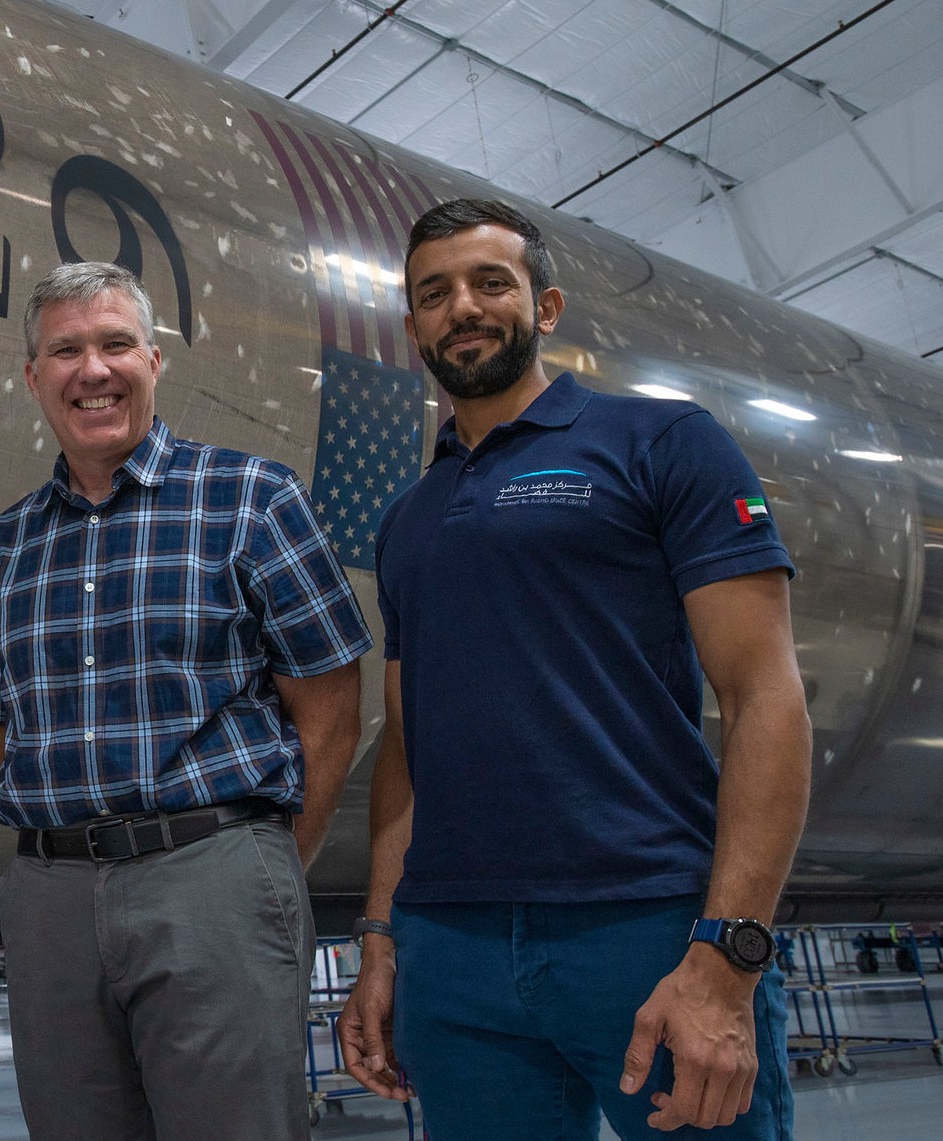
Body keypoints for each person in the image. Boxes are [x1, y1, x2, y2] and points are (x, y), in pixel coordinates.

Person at [337, 198, 811, 1138]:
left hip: (646, 926)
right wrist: (383, 938)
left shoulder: (663, 443)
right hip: (454, 949)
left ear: (545, 307)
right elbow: (407, 744)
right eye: (433, 293)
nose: (461, 307)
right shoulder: (406, 520)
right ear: (413, 327)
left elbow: (764, 695)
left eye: (490, 283)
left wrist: (729, 951)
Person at [0, 261, 369, 1140]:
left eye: (113, 344)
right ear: (34, 377)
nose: (91, 370)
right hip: (52, 891)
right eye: (65, 350)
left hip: (210, 873)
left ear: (153, 357)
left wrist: (265, 864)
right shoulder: (4, 546)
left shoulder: (252, 499)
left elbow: (330, 707)